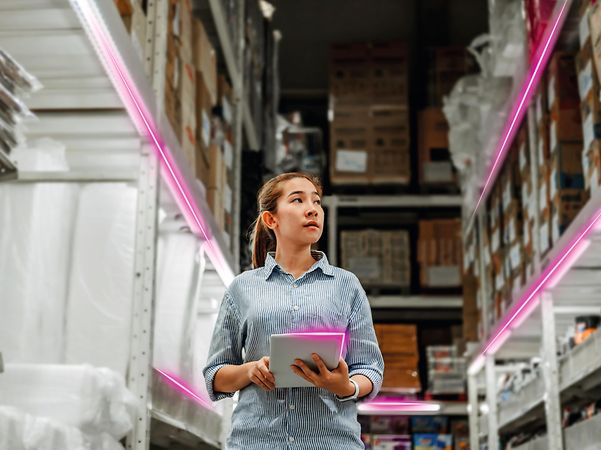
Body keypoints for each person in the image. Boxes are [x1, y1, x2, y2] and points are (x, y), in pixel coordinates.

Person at [203, 172, 384, 449]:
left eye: (316, 201)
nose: (312, 209)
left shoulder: (346, 285)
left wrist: (345, 387)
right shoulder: (242, 288)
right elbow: (215, 374)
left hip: (331, 442)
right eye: (297, 200)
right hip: (256, 442)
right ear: (271, 219)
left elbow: (370, 368)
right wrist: (250, 371)